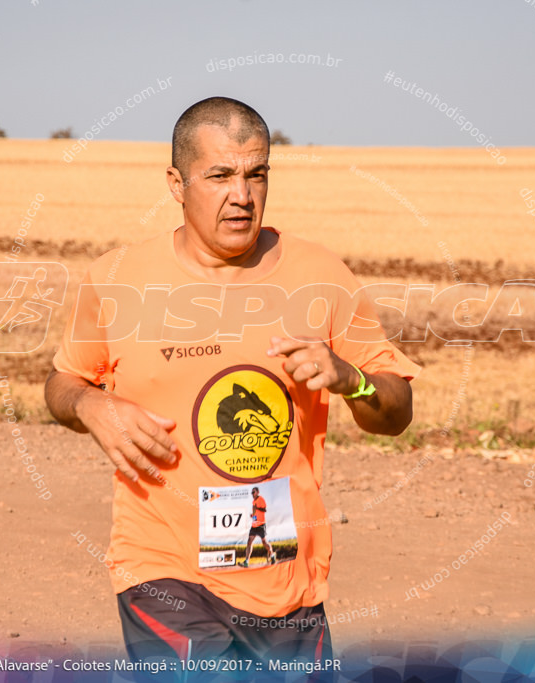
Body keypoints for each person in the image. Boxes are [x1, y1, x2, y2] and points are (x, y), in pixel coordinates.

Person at [45, 96, 420, 672]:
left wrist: (354, 381)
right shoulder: (118, 280)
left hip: (283, 578)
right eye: (219, 175)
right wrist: (89, 402)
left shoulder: (321, 275)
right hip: (162, 568)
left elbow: (395, 412)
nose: (241, 195)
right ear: (177, 182)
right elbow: (63, 383)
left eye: (256, 173)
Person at [242, 487, 275, 568]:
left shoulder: (261, 499)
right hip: (254, 525)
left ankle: (272, 555)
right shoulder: (253, 501)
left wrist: (257, 508)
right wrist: (252, 515)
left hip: (261, 525)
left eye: (253, 492)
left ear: (257, 492)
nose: (252, 494)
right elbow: (255, 512)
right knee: (249, 542)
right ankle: (247, 561)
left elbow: (264, 510)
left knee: (264, 543)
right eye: (252, 493)